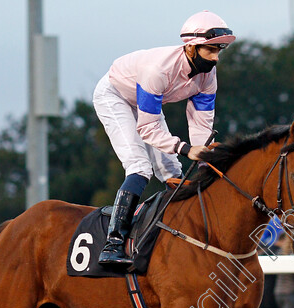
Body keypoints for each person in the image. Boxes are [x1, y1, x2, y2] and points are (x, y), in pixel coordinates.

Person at [93, 10, 236, 268]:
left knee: (172, 170)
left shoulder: (208, 76)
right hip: (115, 97)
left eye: (219, 51)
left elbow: (201, 125)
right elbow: (147, 129)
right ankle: (112, 243)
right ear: (192, 47)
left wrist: (205, 160)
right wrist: (185, 148)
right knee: (139, 167)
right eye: (211, 50)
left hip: (146, 102)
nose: (216, 58)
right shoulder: (158, 69)